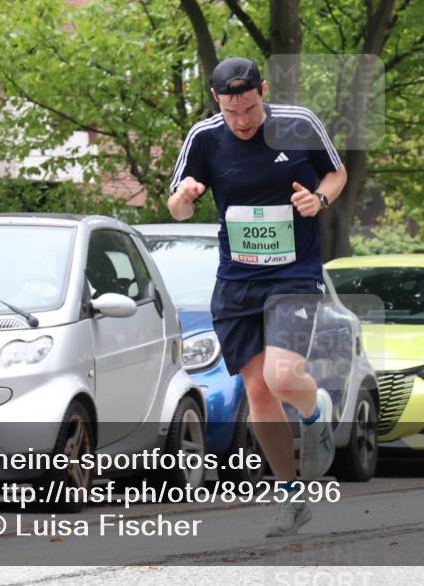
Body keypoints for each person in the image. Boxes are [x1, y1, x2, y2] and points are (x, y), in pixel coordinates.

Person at [168, 57, 348, 536]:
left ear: (263, 91)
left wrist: (320, 200)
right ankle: (290, 496)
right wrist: (184, 197)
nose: (243, 121)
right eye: (232, 112)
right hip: (237, 280)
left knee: (283, 374)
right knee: (258, 389)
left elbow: (336, 174)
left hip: (294, 272)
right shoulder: (204, 137)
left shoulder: (298, 123)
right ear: (216, 101)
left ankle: (315, 411)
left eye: (249, 108)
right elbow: (176, 207)